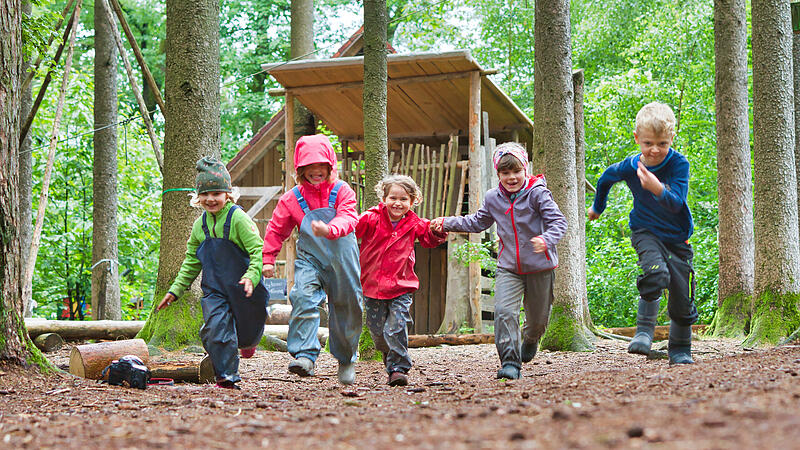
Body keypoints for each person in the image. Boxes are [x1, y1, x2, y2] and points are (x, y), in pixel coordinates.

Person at [431, 142, 567, 380]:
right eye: (505, 173)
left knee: (538, 321)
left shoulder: (538, 193)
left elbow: (559, 222)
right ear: (498, 174)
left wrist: (546, 239)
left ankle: (531, 338)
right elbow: (477, 222)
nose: (511, 177)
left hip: (540, 267)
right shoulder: (493, 198)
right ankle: (510, 363)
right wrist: (447, 223)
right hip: (508, 267)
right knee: (504, 312)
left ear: (525, 169)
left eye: (516, 171)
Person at [588, 101, 696, 365]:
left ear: (672, 138)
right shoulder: (630, 166)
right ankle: (644, 332)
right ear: (637, 138)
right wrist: (597, 208)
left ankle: (680, 350)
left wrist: (657, 187)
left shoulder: (679, 164)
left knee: (683, 297)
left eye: (662, 144)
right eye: (648, 143)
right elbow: (605, 178)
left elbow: (676, 203)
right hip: (645, 231)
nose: (655, 150)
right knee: (656, 273)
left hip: (677, 237)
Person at [157, 157, 269, 390]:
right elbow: (191, 262)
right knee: (217, 329)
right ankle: (227, 377)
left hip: (245, 288)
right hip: (215, 290)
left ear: (228, 194)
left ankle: (246, 342)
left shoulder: (238, 218)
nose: (210, 199)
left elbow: (257, 250)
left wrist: (252, 276)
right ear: (197, 197)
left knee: (249, 329)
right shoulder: (200, 226)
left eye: (216, 193)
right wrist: (175, 291)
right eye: (205, 194)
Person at [262, 134, 363, 385]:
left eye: (321, 165)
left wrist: (330, 229)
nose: (316, 171)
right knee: (302, 297)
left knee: (347, 306)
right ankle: (305, 356)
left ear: (330, 166)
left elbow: (349, 217)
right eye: (309, 166)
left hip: (343, 261)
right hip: (311, 260)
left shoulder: (342, 191)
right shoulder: (292, 198)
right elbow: (276, 229)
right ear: (300, 169)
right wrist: (268, 259)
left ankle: (346, 359)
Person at [357, 175, 448, 386]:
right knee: (378, 333)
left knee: (396, 325)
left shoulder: (414, 223)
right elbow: (353, 228)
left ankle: (398, 368)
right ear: (384, 198)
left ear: (413, 201)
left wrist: (437, 231)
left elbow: (429, 239)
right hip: (372, 285)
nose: (397, 203)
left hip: (401, 285)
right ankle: (389, 355)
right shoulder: (371, 218)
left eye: (404, 199)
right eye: (393, 198)